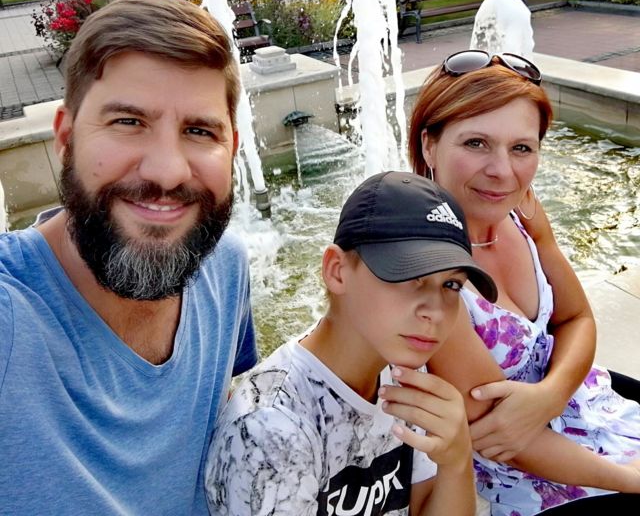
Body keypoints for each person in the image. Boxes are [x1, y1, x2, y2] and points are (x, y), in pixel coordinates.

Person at [0, 0, 257, 515]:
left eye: (199, 131)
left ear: (231, 149)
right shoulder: (12, 317)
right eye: (127, 121)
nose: (167, 171)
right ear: (66, 138)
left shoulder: (223, 266)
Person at [407, 50, 640, 515]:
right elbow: (501, 436)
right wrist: (631, 479)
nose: (503, 171)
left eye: (521, 148)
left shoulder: (523, 211)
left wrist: (550, 395)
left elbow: (576, 317)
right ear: (429, 146)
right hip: (541, 478)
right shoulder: (428, 273)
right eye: (476, 143)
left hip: (591, 405)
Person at [206, 170, 499, 515]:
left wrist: (457, 459)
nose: (435, 311)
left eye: (451, 285)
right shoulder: (270, 431)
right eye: (409, 275)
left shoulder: (401, 372)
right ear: (337, 270)